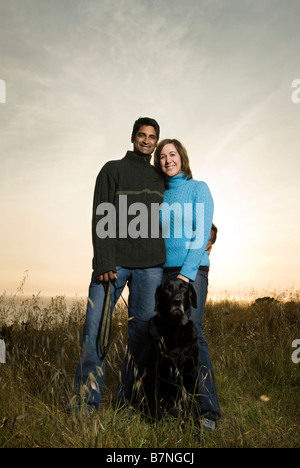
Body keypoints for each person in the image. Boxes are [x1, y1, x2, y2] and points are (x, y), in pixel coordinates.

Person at [74, 117, 166, 413]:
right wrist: (103, 260)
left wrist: (209, 234)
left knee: (141, 338)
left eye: (152, 137)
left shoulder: (159, 177)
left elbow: (180, 209)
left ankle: (128, 404)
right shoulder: (112, 169)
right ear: (133, 137)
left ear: (156, 141)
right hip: (113, 265)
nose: (147, 141)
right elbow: (101, 216)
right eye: (142, 135)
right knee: (94, 333)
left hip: (151, 266)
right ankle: (84, 408)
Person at [154, 138, 221, 430]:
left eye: (172, 154)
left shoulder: (198, 189)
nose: (167, 160)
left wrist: (186, 274)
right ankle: (166, 406)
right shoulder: (157, 195)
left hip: (191, 272)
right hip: (161, 273)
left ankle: (207, 412)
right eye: (162, 156)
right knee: (163, 340)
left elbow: (203, 231)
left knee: (194, 334)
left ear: (182, 157)